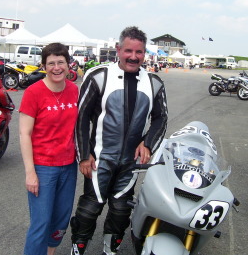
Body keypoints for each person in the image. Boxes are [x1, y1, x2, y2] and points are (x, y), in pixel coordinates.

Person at [70, 26, 168, 255]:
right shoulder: (98, 76)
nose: (133, 57)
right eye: (128, 51)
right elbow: (81, 118)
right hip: (99, 159)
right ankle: (78, 249)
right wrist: (84, 155)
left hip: (129, 163)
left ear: (145, 53)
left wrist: (148, 143)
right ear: (118, 49)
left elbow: (161, 118)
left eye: (139, 52)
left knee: (121, 210)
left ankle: (109, 250)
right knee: (89, 208)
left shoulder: (153, 82)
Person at [19, 42, 78, 255]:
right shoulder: (34, 92)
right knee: (41, 223)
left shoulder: (74, 90)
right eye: (51, 63)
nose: (56, 67)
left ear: (68, 64)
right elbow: (24, 134)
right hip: (43, 167)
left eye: (60, 62)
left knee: (61, 220)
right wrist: (30, 173)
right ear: (44, 66)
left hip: (68, 166)